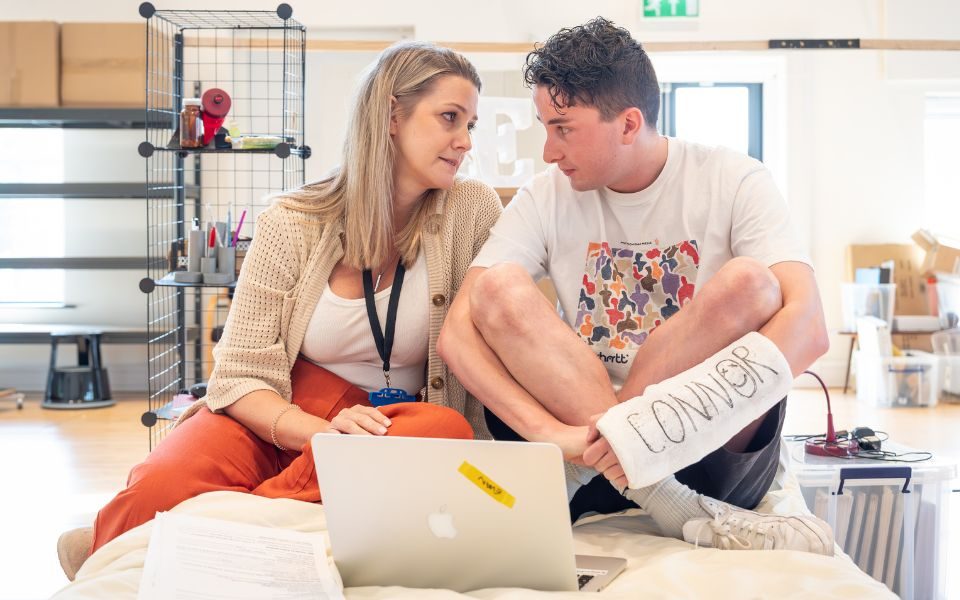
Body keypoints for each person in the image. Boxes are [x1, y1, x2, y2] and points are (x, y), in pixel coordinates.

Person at [57, 41, 503, 581]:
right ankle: (113, 541)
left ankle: (219, 529)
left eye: (471, 125)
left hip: (390, 419)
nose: (465, 142)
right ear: (390, 115)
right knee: (160, 485)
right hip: (283, 400)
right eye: (450, 118)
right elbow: (241, 371)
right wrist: (315, 434)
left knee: (444, 431)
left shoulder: (471, 207)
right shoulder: (292, 221)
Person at [438, 17, 835, 553]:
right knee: (496, 288)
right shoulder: (545, 194)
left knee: (753, 285)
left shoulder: (734, 178)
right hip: (582, 446)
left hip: (702, 447)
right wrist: (554, 435)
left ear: (628, 124)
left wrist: (639, 425)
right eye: (545, 127)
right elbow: (456, 335)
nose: (549, 151)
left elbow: (809, 328)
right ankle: (662, 499)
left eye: (563, 128)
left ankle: (626, 467)